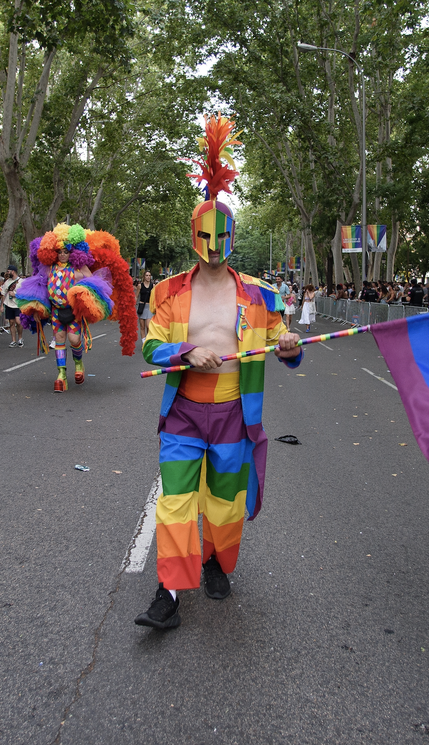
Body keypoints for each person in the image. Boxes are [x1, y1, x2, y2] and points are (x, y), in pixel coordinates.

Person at [135, 114, 301, 630]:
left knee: (225, 508)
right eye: (205, 234)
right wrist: (185, 352)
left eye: (222, 234)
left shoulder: (260, 295)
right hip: (184, 415)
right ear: (193, 236)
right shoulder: (167, 292)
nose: (213, 243)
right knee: (176, 502)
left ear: (232, 236)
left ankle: (213, 561)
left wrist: (289, 346)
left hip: (234, 417)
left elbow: (286, 350)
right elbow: (150, 348)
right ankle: (169, 590)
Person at [14, 224, 136, 389]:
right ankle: (61, 375)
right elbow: (40, 288)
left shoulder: (79, 267)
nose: (63, 254)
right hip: (56, 311)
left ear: (72, 252)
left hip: (73, 311)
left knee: (74, 340)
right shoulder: (49, 268)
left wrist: (83, 293)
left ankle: (78, 364)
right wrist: (37, 309)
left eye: (66, 251)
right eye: (60, 251)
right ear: (55, 252)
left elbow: (94, 284)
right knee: (59, 339)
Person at [1, 266, 24, 347]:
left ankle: (20, 338)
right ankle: (13, 340)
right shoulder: (7, 282)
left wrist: (15, 294)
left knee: (18, 322)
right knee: (11, 322)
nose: (7, 273)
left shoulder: (21, 281)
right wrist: (2, 305)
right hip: (9, 304)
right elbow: (3, 294)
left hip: (18, 304)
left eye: (8, 271)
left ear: (13, 271)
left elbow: (25, 293)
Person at [137, 270, 155, 337]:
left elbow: (155, 297)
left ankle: (147, 341)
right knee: (142, 327)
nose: (148, 277)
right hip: (142, 307)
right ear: (144, 277)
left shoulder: (153, 286)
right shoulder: (140, 286)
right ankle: (143, 341)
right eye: (146, 275)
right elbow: (136, 296)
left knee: (148, 326)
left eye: (149, 275)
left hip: (149, 307)